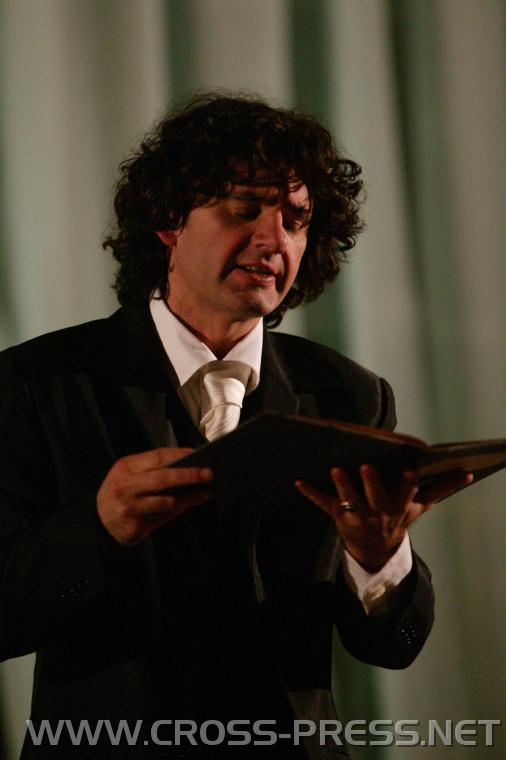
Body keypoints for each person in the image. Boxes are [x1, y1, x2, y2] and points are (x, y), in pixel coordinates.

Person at [0, 93, 471, 759]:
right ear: (169, 220)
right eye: (244, 209)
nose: (275, 240)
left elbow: (392, 647)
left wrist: (379, 558)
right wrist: (98, 531)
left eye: (296, 220)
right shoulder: (35, 382)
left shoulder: (351, 395)